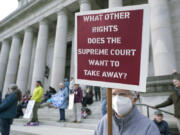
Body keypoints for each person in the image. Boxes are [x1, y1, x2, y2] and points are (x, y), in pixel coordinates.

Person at [94, 89, 160, 135]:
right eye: (114, 94)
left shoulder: (149, 127)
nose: (117, 99)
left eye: (122, 94)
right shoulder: (104, 121)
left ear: (134, 98)